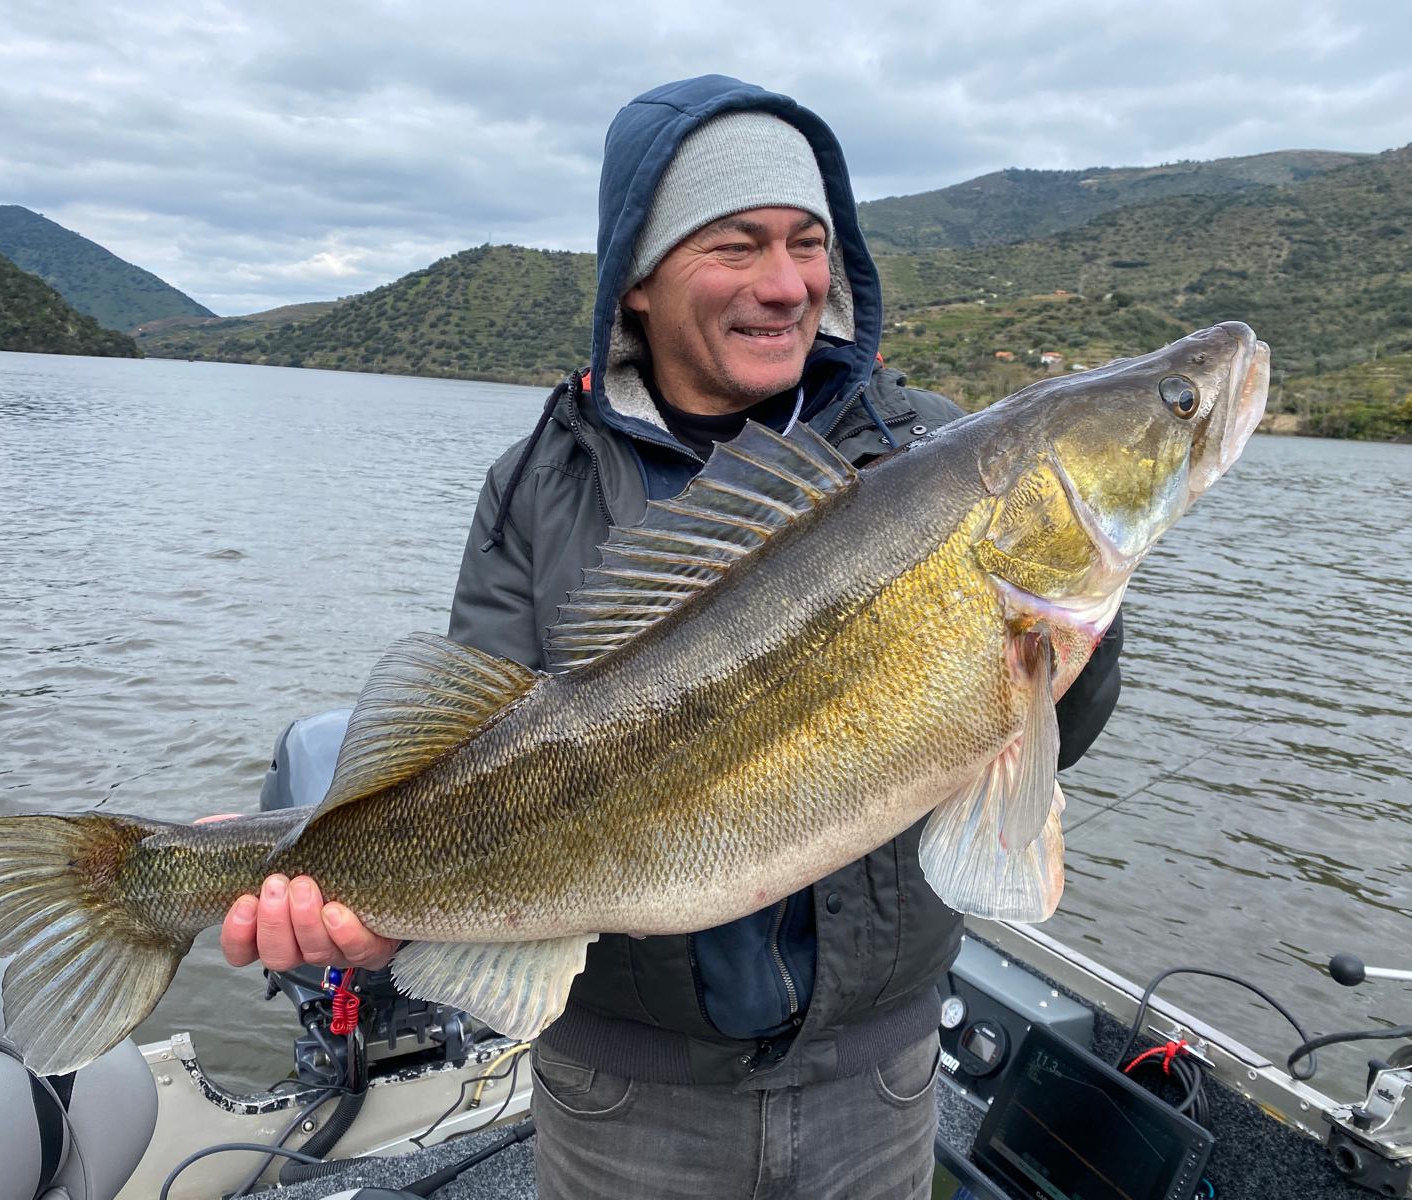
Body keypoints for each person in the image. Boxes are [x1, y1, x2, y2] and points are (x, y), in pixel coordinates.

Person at [220, 74, 1123, 1198]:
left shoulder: (930, 453)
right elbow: (465, 765)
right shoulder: (539, 485)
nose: (785, 283)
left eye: (807, 243)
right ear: (637, 279)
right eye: (735, 245)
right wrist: (369, 912)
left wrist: (1069, 616)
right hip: (626, 1090)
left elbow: (1059, 736)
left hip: (875, 1070)